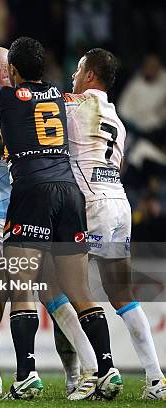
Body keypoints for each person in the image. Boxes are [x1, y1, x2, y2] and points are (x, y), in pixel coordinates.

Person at [0, 36, 122, 400]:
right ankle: (107, 368)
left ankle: (26, 374)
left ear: (13, 71)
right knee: (79, 291)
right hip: (69, 194)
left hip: (31, 191)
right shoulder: (56, 95)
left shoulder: (3, 98)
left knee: (22, 289)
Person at [67, 48, 166, 400]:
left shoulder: (74, 106)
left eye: (78, 70)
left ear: (90, 75)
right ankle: (156, 379)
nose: (74, 77)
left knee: (64, 287)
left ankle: (99, 372)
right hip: (120, 204)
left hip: (92, 205)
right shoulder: (117, 119)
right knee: (121, 293)